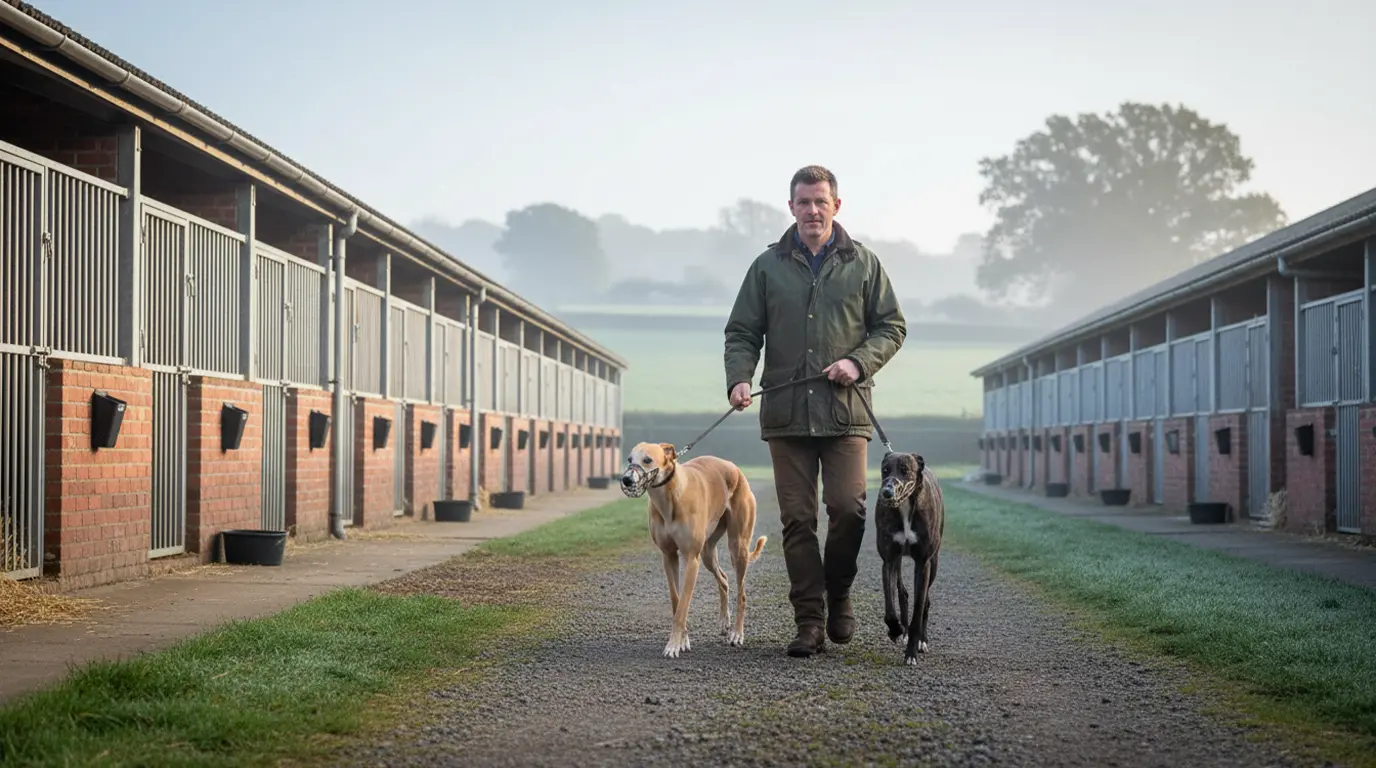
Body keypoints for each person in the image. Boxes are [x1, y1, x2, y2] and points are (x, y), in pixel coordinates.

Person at [723, 165, 907, 657]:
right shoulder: (766, 268)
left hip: (846, 412)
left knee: (848, 510)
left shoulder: (864, 264)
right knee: (798, 521)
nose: (812, 211)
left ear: (836, 206)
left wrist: (857, 361)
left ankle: (839, 592)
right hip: (785, 414)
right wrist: (739, 378)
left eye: (820, 202)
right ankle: (809, 621)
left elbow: (891, 327)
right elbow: (742, 332)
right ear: (791, 208)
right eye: (803, 203)